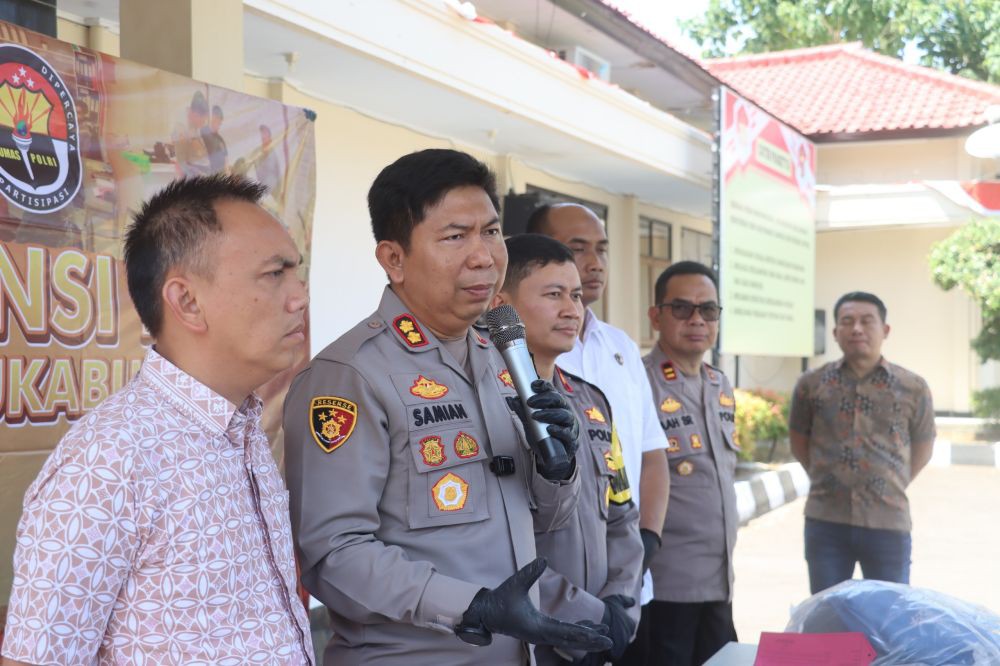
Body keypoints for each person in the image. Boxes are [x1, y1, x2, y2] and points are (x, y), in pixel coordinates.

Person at [282, 149, 611, 665]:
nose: (483, 256)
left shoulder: (503, 357)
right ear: (394, 259)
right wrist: (472, 606)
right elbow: (333, 553)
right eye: (456, 236)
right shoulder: (351, 375)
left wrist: (557, 470)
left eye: (492, 232)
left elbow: (541, 521)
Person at [1, 175, 313, 665]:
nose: (299, 297)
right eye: (275, 274)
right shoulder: (109, 460)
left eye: (297, 273)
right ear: (187, 301)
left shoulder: (244, 428)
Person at [527, 203, 669, 661]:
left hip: (622, 592)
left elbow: (642, 457)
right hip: (543, 609)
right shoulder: (514, 364)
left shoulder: (620, 347)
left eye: (601, 250)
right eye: (577, 248)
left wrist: (643, 546)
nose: (594, 263)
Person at [494, 234, 643, 665]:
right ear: (501, 306)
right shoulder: (481, 405)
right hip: (527, 641)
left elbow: (621, 514)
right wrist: (587, 619)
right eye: (554, 294)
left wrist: (619, 609)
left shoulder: (591, 403)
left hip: (602, 635)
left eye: (576, 295)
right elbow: (496, 546)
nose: (572, 310)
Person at [789, 291, 935, 594]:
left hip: (888, 522)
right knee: (828, 614)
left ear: (885, 330)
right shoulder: (811, 384)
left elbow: (923, 444)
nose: (857, 328)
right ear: (835, 332)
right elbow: (799, 441)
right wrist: (826, 476)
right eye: (848, 321)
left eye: (867, 321)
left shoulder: (913, 387)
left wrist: (894, 482)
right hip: (825, 520)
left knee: (889, 617)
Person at [642, 261, 739, 666]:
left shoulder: (719, 383)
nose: (697, 319)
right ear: (656, 317)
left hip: (719, 581)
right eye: (681, 309)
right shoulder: (639, 381)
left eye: (709, 310)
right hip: (666, 585)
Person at [202, 104, 228, 173]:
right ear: (213, 118)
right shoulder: (202, 132)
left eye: (220, 123)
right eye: (218, 122)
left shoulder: (220, 140)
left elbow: (226, 163)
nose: (219, 126)